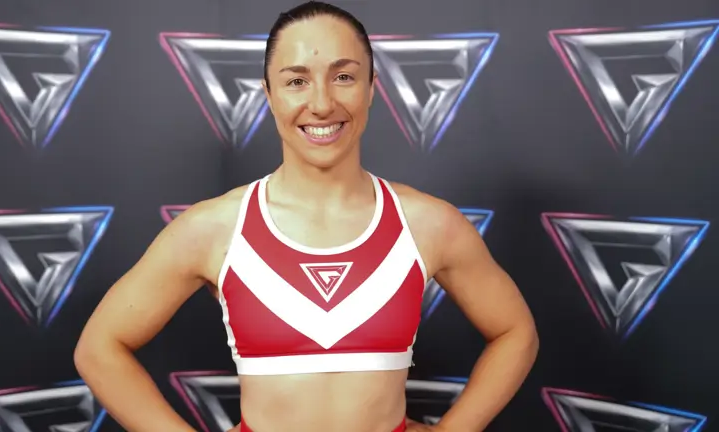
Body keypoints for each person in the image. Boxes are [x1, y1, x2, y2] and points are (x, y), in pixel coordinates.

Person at [74, 1, 539, 431]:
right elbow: (100, 348)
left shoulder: (426, 223)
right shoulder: (215, 228)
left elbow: (515, 332)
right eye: (297, 80)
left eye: (343, 76)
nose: (321, 103)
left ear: (372, 88)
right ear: (269, 93)